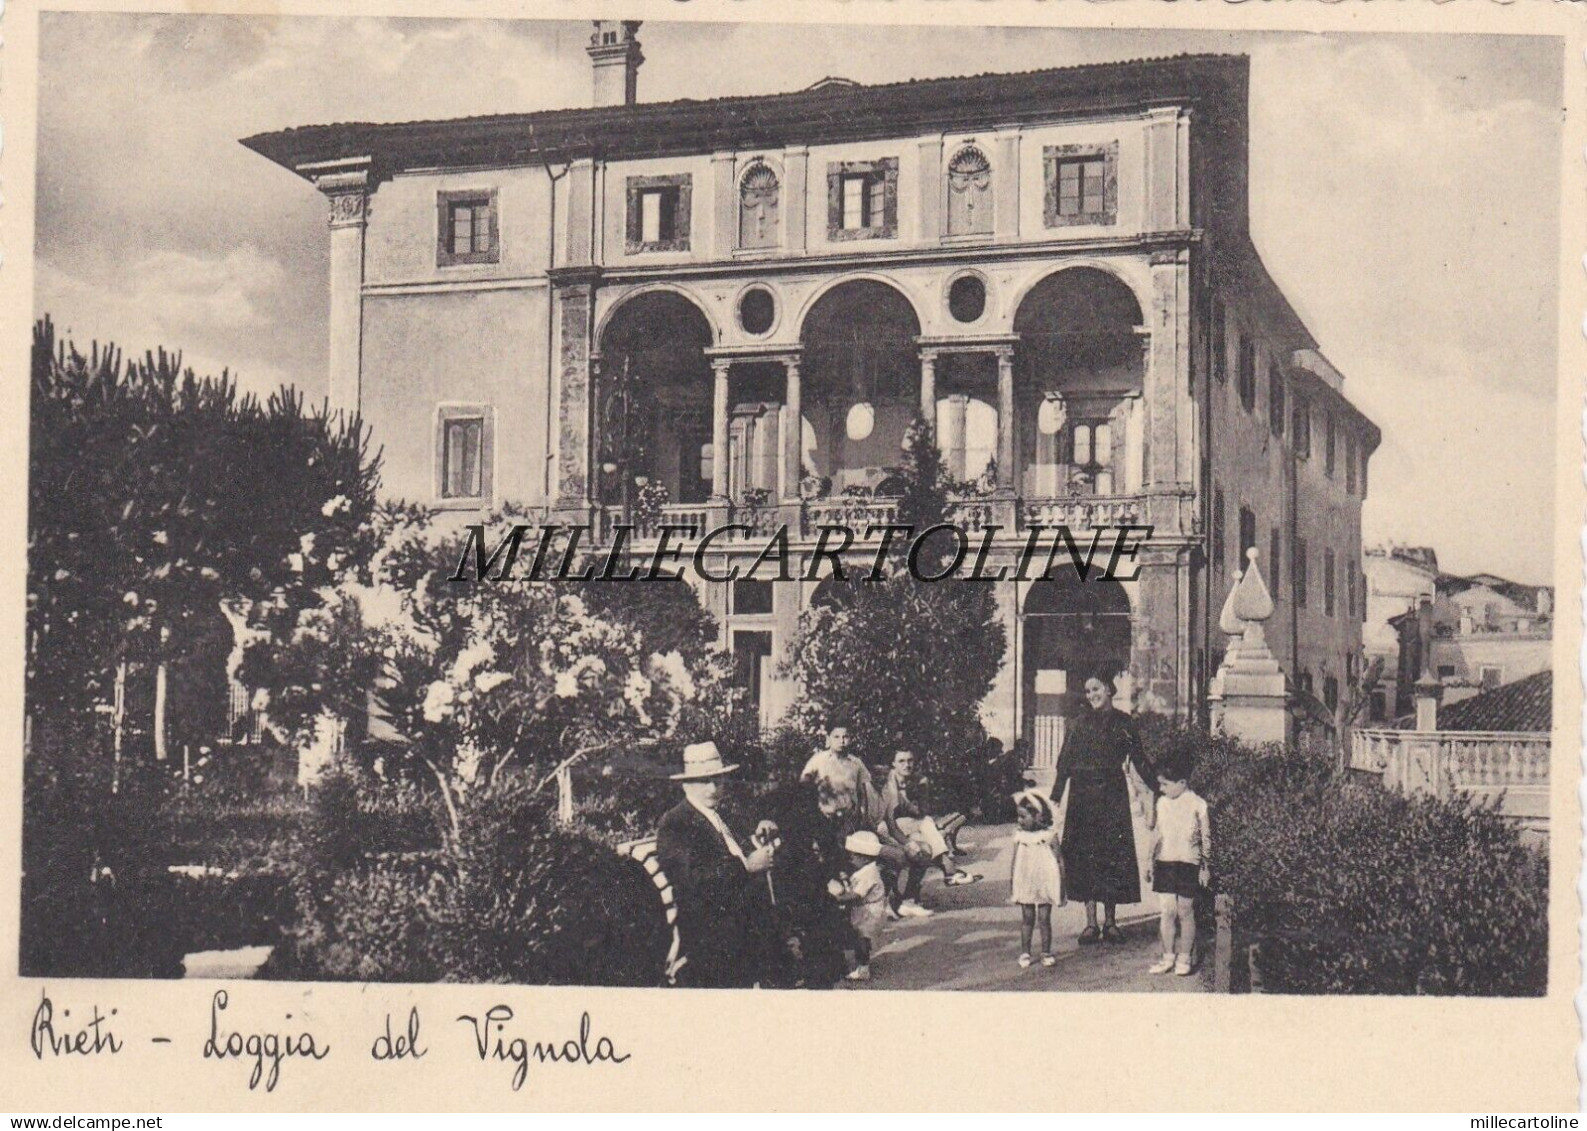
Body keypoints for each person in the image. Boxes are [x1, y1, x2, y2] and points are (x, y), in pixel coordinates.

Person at [656, 741, 779, 988]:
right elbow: (693, 879)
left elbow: (736, 849)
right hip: (710, 940)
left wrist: (759, 834)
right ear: (686, 783)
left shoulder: (720, 815)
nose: (713, 788)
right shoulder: (677, 823)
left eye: (718, 780)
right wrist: (746, 866)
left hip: (742, 932)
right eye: (704, 781)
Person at [1050, 673, 1152, 946]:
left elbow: (1138, 758)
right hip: (1082, 796)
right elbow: (1065, 761)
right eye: (1087, 690)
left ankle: (1111, 922)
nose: (1091, 694)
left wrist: (1157, 787)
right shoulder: (1078, 724)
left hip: (1112, 794)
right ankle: (1090, 923)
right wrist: (1056, 795)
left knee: (1112, 856)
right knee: (1085, 857)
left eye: (1095, 688)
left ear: (1108, 689)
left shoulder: (1124, 722)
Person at [877, 750, 980, 917]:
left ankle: (909, 900)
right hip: (889, 828)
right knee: (926, 825)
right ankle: (948, 869)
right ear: (893, 764)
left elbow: (923, 810)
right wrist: (907, 802)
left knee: (925, 846)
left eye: (910, 760)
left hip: (909, 827)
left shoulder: (920, 781)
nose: (907, 765)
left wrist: (912, 804)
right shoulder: (887, 781)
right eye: (901, 761)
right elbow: (891, 815)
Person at [1145, 753, 1212, 977]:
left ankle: (1184, 958)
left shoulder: (1198, 804)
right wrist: (1148, 861)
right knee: (1167, 911)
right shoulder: (1162, 803)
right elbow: (1157, 834)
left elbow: (1206, 837)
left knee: (1185, 910)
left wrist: (1205, 866)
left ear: (1182, 783)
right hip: (1165, 862)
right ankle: (1167, 957)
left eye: (1165, 784)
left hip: (1188, 864)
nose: (1161, 789)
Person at [1009, 789, 1065, 968]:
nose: (1019, 821)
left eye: (1023, 817)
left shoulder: (1049, 835)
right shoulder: (1020, 836)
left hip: (1044, 881)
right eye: (1018, 816)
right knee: (1027, 917)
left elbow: (1059, 860)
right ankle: (1025, 952)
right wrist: (1013, 885)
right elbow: (1014, 862)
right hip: (1026, 881)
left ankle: (1046, 952)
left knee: (1044, 918)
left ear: (1039, 816)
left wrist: (1062, 887)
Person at [801, 724, 880, 837]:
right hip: (823, 819)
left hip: (848, 821)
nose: (841, 741)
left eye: (845, 737)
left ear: (850, 739)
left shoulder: (856, 763)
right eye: (836, 737)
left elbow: (862, 794)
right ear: (829, 739)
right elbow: (804, 788)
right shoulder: (818, 760)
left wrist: (862, 817)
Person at [832, 830, 888, 982]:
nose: (851, 860)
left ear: (863, 858)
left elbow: (855, 895)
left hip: (869, 911)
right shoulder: (865, 870)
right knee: (861, 937)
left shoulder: (867, 874)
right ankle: (863, 962)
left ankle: (863, 967)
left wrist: (836, 898)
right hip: (864, 909)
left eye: (853, 856)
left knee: (861, 938)